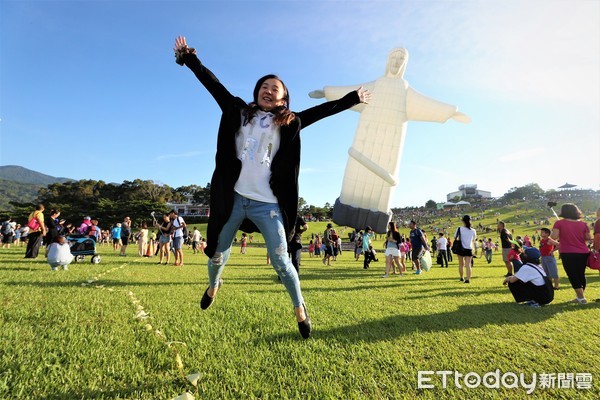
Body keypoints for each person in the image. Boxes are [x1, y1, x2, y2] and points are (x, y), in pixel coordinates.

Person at [174, 35, 370, 339]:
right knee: (216, 253)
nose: (268, 91)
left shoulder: (291, 122)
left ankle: (300, 308)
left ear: (283, 99)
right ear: (257, 93)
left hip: (268, 204)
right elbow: (212, 84)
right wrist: (189, 58)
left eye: (274, 89)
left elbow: (324, 110)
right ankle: (214, 285)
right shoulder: (238, 111)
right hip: (234, 198)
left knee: (281, 259)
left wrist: (353, 98)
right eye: (264, 87)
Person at [551, 203, 592, 304]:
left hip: (568, 252)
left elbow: (554, 237)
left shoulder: (559, 223)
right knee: (580, 274)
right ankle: (580, 296)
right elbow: (588, 238)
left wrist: (556, 232)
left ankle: (581, 298)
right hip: (583, 252)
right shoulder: (583, 224)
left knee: (572, 274)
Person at [455, 215, 476, 283]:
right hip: (469, 248)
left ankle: (461, 277)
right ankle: (468, 279)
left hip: (460, 248)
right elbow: (474, 239)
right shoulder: (473, 230)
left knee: (461, 264)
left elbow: (455, 237)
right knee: (468, 265)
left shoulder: (459, 229)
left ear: (463, 221)